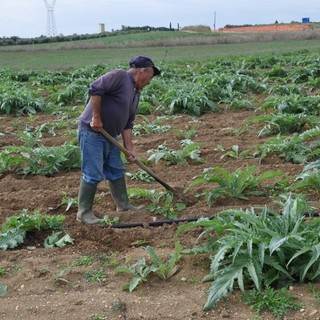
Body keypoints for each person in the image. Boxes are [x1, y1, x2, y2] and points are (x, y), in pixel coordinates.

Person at [77, 56, 161, 225]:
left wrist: (130, 148)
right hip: (93, 132)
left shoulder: (135, 93)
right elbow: (95, 88)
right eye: (150, 76)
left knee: (116, 170)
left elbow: (128, 123)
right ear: (142, 71)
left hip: (111, 136)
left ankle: (123, 206)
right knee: (93, 173)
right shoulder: (120, 76)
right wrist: (96, 117)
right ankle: (84, 213)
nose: (150, 81)